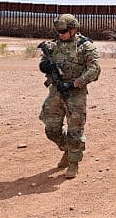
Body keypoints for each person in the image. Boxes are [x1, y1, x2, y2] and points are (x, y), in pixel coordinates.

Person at [38, 14, 101, 179]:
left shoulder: (85, 46)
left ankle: (73, 163)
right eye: (58, 31)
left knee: (75, 131)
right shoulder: (53, 46)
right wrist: (44, 66)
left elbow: (94, 70)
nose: (61, 34)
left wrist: (75, 83)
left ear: (73, 29)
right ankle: (66, 149)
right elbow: (44, 61)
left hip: (75, 94)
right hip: (56, 92)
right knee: (51, 129)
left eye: (64, 31)